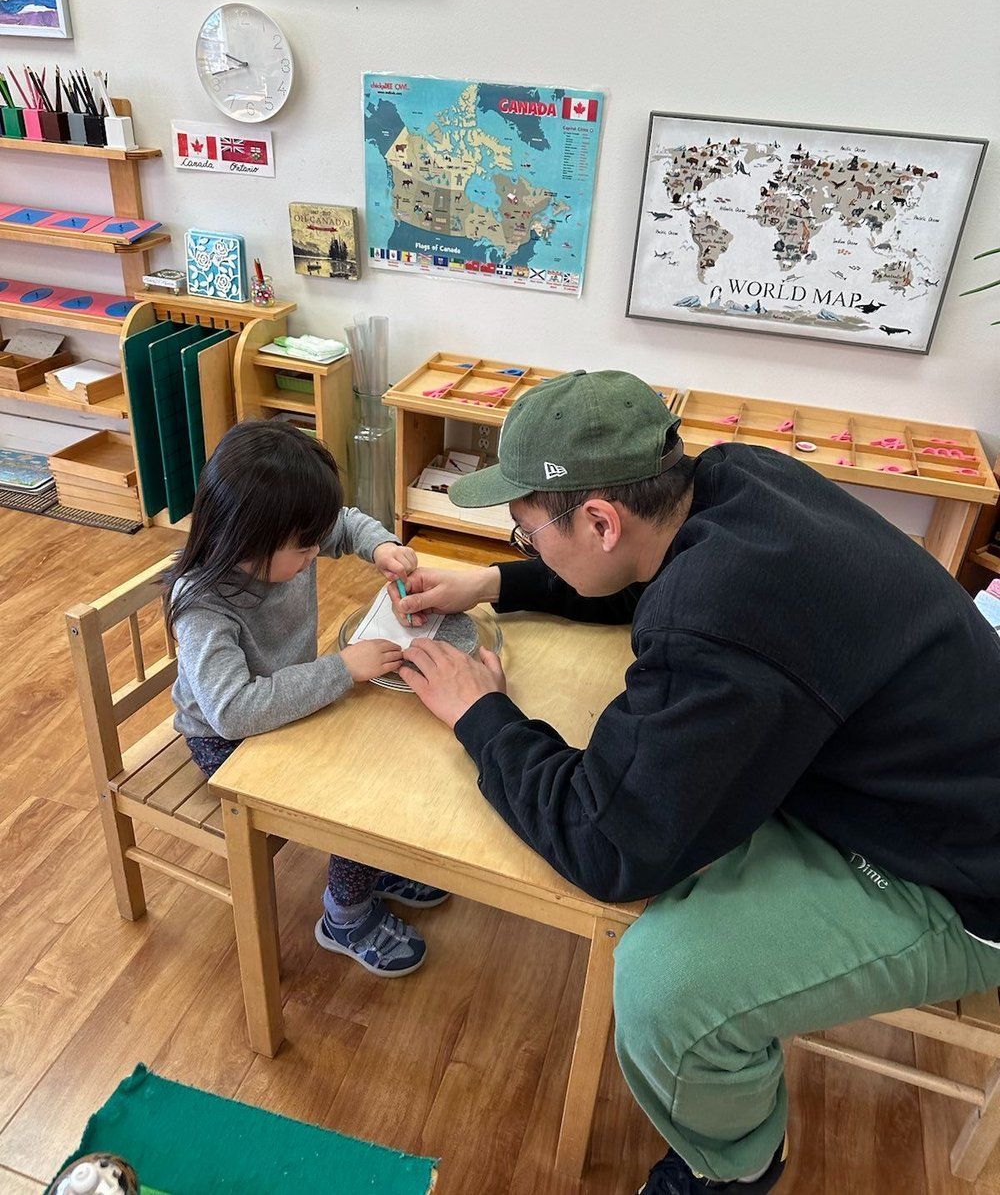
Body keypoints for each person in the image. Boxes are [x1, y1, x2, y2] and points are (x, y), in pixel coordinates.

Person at [385, 370, 1000, 1193]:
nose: (525, 547)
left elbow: (606, 844)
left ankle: (737, 1167)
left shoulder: (713, 618)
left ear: (600, 520)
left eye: (526, 535)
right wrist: (495, 581)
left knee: (665, 988)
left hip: (956, 876)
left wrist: (481, 714)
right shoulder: (737, 479)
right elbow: (647, 576)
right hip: (917, 773)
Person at [165, 419, 449, 979]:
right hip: (227, 739)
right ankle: (346, 914)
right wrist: (341, 669)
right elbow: (234, 711)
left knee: (382, 743)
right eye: (305, 547)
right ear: (249, 537)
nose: (317, 551)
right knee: (351, 785)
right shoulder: (203, 605)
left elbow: (342, 523)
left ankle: (370, 866)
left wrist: (381, 546)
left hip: (289, 699)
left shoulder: (283, 539)